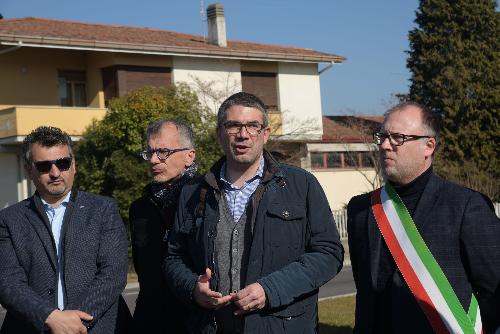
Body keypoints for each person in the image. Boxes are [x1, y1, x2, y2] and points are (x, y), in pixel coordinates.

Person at [164, 92, 343, 333]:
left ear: (265, 133)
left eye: (252, 126)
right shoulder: (193, 193)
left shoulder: (302, 185)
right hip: (211, 326)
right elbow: (174, 257)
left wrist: (271, 289)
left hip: (281, 326)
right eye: (233, 125)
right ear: (219, 133)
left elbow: (328, 253)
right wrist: (192, 288)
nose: (243, 134)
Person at [347, 102, 500, 333]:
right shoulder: (361, 209)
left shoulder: (466, 206)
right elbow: (365, 289)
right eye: (382, 136)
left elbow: (494, 292)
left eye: (398, 137)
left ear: (428, 146)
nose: (386, 146)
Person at [0, 126, 131, 334]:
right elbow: (8, 281)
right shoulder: (8, 219)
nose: (55, 173)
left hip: (97, 327)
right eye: (44, 166)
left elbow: (113, 274)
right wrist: (49, 317)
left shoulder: (104, 209)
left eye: (63, 163)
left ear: (74, 165)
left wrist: (73, 322)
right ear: (29, 170)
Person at [129, 119, 196, 333]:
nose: (154, 160)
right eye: (149, 152)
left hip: (198, 320)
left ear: (189, 156)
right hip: (151, 322)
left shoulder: (209, 199)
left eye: (163, 152)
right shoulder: (139, 209)